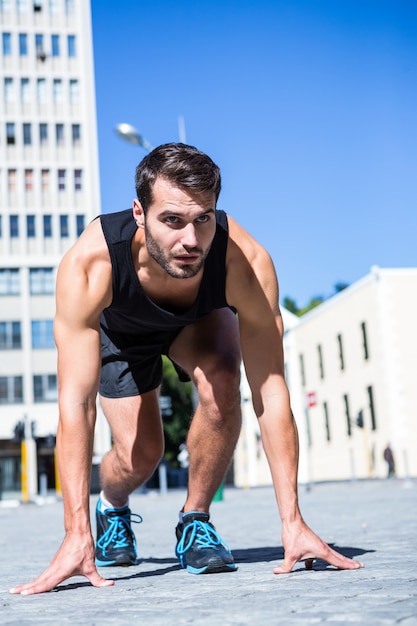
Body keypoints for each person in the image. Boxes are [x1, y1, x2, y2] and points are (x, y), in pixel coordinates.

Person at [10, 143, 363, 596]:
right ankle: (112, 507)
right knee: (142, 454)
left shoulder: (246, 262)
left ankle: (195, 520)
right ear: (140, 212)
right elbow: (75, 406)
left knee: (222, 380)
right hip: (123, 331)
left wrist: (292, 521)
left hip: (197, 319)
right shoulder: (90, 265)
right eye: (172, 221)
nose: (191, 241)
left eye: (204, 219)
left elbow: (271, 392)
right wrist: (75, 533)